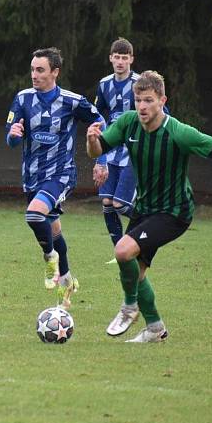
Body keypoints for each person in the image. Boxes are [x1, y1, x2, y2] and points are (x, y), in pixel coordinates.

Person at [87, 70, 212, 342]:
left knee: (123, 251)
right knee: (135, 273)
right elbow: (97, 151)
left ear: (162, 100)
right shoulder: (128, 123)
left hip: (174, 212)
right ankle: (155, 328)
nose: (141, 106)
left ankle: (129, 307)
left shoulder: (178, 132)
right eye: (138, 100)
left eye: (148, 100)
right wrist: (92, 140)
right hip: (146, 208)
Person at [5, 47, 105, 309]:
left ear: (55, 72)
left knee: (34, 215)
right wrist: (13, 135)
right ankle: (68, 280)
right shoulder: (23, 99)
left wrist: (101, 159)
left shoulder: (73, 101)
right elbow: (11, 138)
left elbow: (100, 122)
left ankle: (50, 261)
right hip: (32, 176)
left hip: (61, 174)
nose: (34, 75)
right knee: (53, 229)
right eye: (32, 70)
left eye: (40, 70)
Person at [93, 38, 141, 262]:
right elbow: (97, 118)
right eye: (117, 57)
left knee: (120, 205)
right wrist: (99, 159)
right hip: (111, 150)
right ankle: (120, 251)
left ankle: (147, 223)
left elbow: (162, 112)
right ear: (111, 58)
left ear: (131, 59)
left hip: (133, 151)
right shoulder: (104, 85)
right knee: (107, 203)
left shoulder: (140, 83)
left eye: (125, 57)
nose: (121, 61)